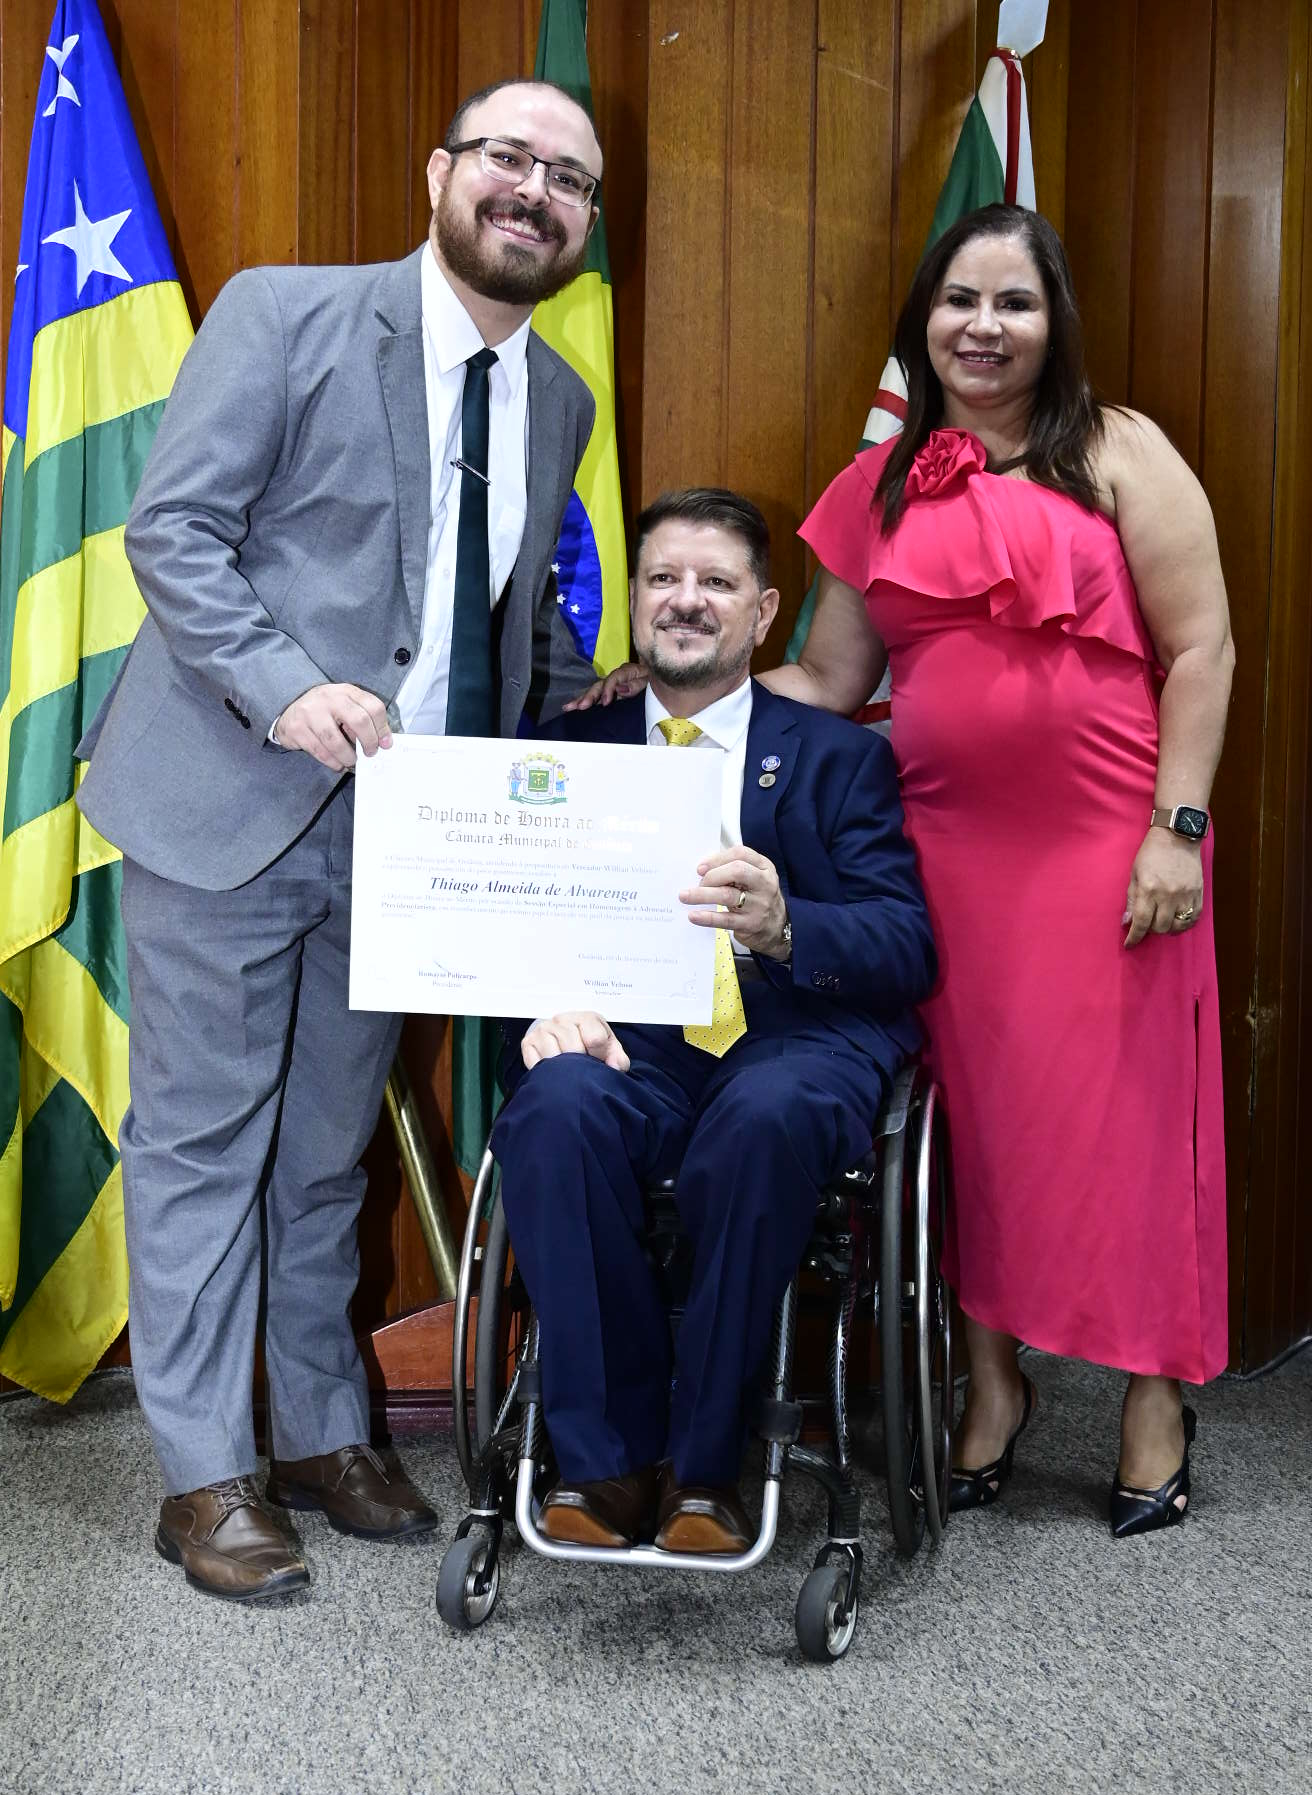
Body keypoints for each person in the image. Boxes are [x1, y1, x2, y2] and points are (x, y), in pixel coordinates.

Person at [75, 79, 604, 1602]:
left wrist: (603, 699)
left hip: (405, 844)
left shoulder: (559, 397)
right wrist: (285, 687)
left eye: (569, 178)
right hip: (227, 804)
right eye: (507, 157)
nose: (534, 191)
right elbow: (174, 530)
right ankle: (204, 1474)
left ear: (583, 224)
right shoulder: (286, 314)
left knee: (323, 1154)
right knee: (199, 1149)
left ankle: (316, 1430)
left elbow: (497, 625)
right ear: (441, 172)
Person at [781, 204, 1233, 1536]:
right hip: (943, 859)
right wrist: (667, 696)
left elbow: (1202, 648)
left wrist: (1178, 827)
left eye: (1014, 303)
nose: (983, 327)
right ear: (922, 319)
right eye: (959, 300)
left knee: (1130, 1129)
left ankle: (1154, 1398)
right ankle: (993, 1387)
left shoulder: (1120, 451)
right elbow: (828, 681)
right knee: (975, 1129)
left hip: (1112, 847)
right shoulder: (877, 485)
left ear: (1054, 322)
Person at [491, 490, 935, 1554]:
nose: (686, 601)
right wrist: (545, 999)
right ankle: (607, 1465)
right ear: (634, 600)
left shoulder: (839, 757)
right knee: (553, 1109)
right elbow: (505, 916)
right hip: (629, 1039)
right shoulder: (566, 748)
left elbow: (906, 946)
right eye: (663, 579)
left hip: (797, 1041)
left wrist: (787, 927)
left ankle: (707, 1466)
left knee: (763, 1120)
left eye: (717, 583)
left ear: (764, 612)